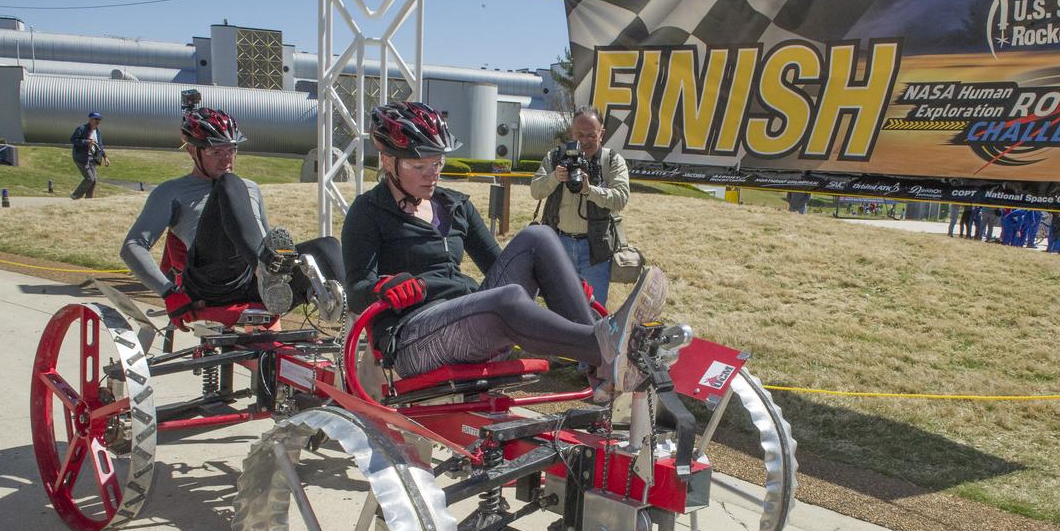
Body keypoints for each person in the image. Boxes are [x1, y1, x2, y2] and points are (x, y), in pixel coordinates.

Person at [342, 102, 666, 398]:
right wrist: (383, 287)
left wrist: (560, 280)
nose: (433, 173)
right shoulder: (369, 211)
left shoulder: (455, 205)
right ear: (388, 161)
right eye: (419, 165)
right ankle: (606, 348)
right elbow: (356, 292)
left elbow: (504, 264)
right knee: (507, 299)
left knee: (538, 237)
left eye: (438, 162)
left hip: (469, 319)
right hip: (413, 338)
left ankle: (602, 365)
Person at [120, 103, 342, 325]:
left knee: (327, 247)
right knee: (229, 183)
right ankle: (265, 270)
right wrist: (168, 292)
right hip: (212, 283)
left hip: (254, 283)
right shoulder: (173, 191)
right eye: (215, 151)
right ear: (192, 150)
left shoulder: (251, 188)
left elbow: (262, 237)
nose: (226, 159)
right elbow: (133, 246)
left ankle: (357, 318)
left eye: (231, 150)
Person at [529, 106, 631, 306]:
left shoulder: (611, 160)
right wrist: (555, 177)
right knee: (560, 308)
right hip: (559, 245)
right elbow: (535, 190)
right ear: (571, 132)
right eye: (579, 134)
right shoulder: (555, 157)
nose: (584, 141)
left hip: (596, 249)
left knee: (593, 311)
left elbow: (621, 198)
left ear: (602, 133)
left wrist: (590, 190)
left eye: (591, 135)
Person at [69, 111, 110, 199]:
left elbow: (100, 145)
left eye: (99, 119)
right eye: (96, 119)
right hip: (81, 158)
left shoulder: (98, 131)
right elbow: (73, 140)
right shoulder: (82, 129)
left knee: (94, 180)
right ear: (90, 119)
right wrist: (87, 142)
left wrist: (105, 157)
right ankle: (75, 196)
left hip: (92, 158)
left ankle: (88, 199)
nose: (98, 121)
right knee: (89, 179)